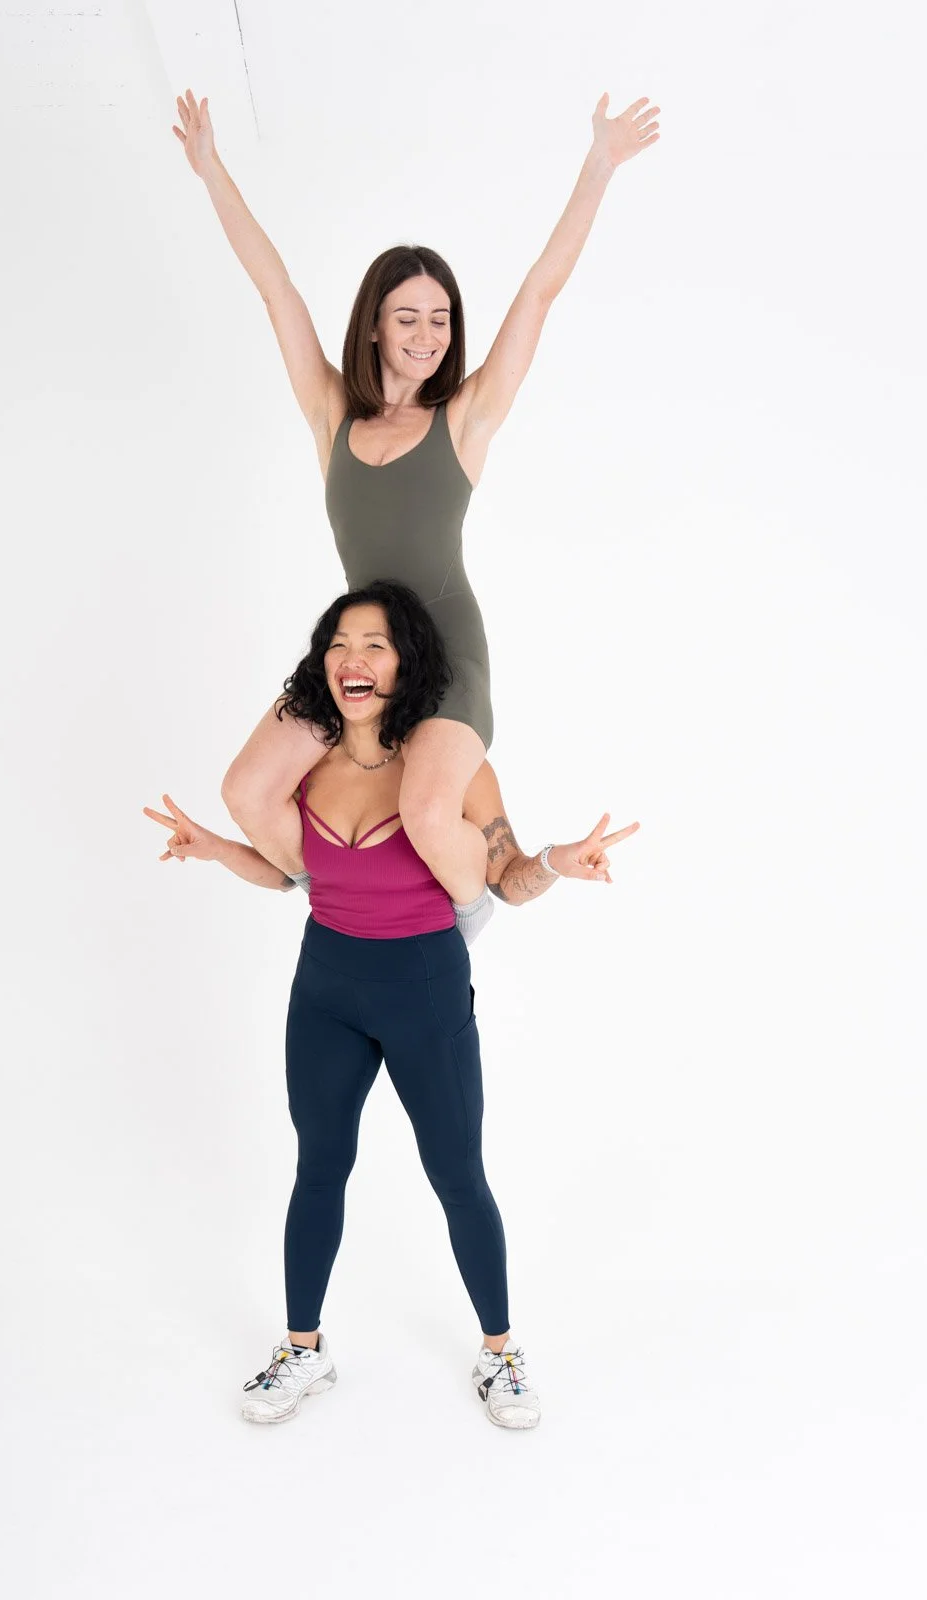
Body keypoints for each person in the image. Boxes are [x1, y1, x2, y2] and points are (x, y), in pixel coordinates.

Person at [144, 581, 639, 1428]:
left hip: (424, 992)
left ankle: (500, 1353)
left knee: (456, 1176)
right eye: (339, 643)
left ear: (405, 662)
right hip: (325, 989)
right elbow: (297, 875)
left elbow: (506, 879)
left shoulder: (449, 768)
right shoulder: (307, 765)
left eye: (374, 644)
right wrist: (219, 848)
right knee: (318, 1167)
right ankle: (303, 1349)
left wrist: (559, 861)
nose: (353, 659)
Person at [171, 86, 659, 938]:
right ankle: (333, 888)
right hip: (363, 651)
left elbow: (537, 295)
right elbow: (276, 290)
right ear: (373, 326)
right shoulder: (331, 416)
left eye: (439, 320)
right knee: (246, 789)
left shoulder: (461, 422)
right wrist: (211, 170)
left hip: (446, 653)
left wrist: (599, 164)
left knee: (431, 814)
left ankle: (464, 914)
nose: (427, 335)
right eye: (407, 318)